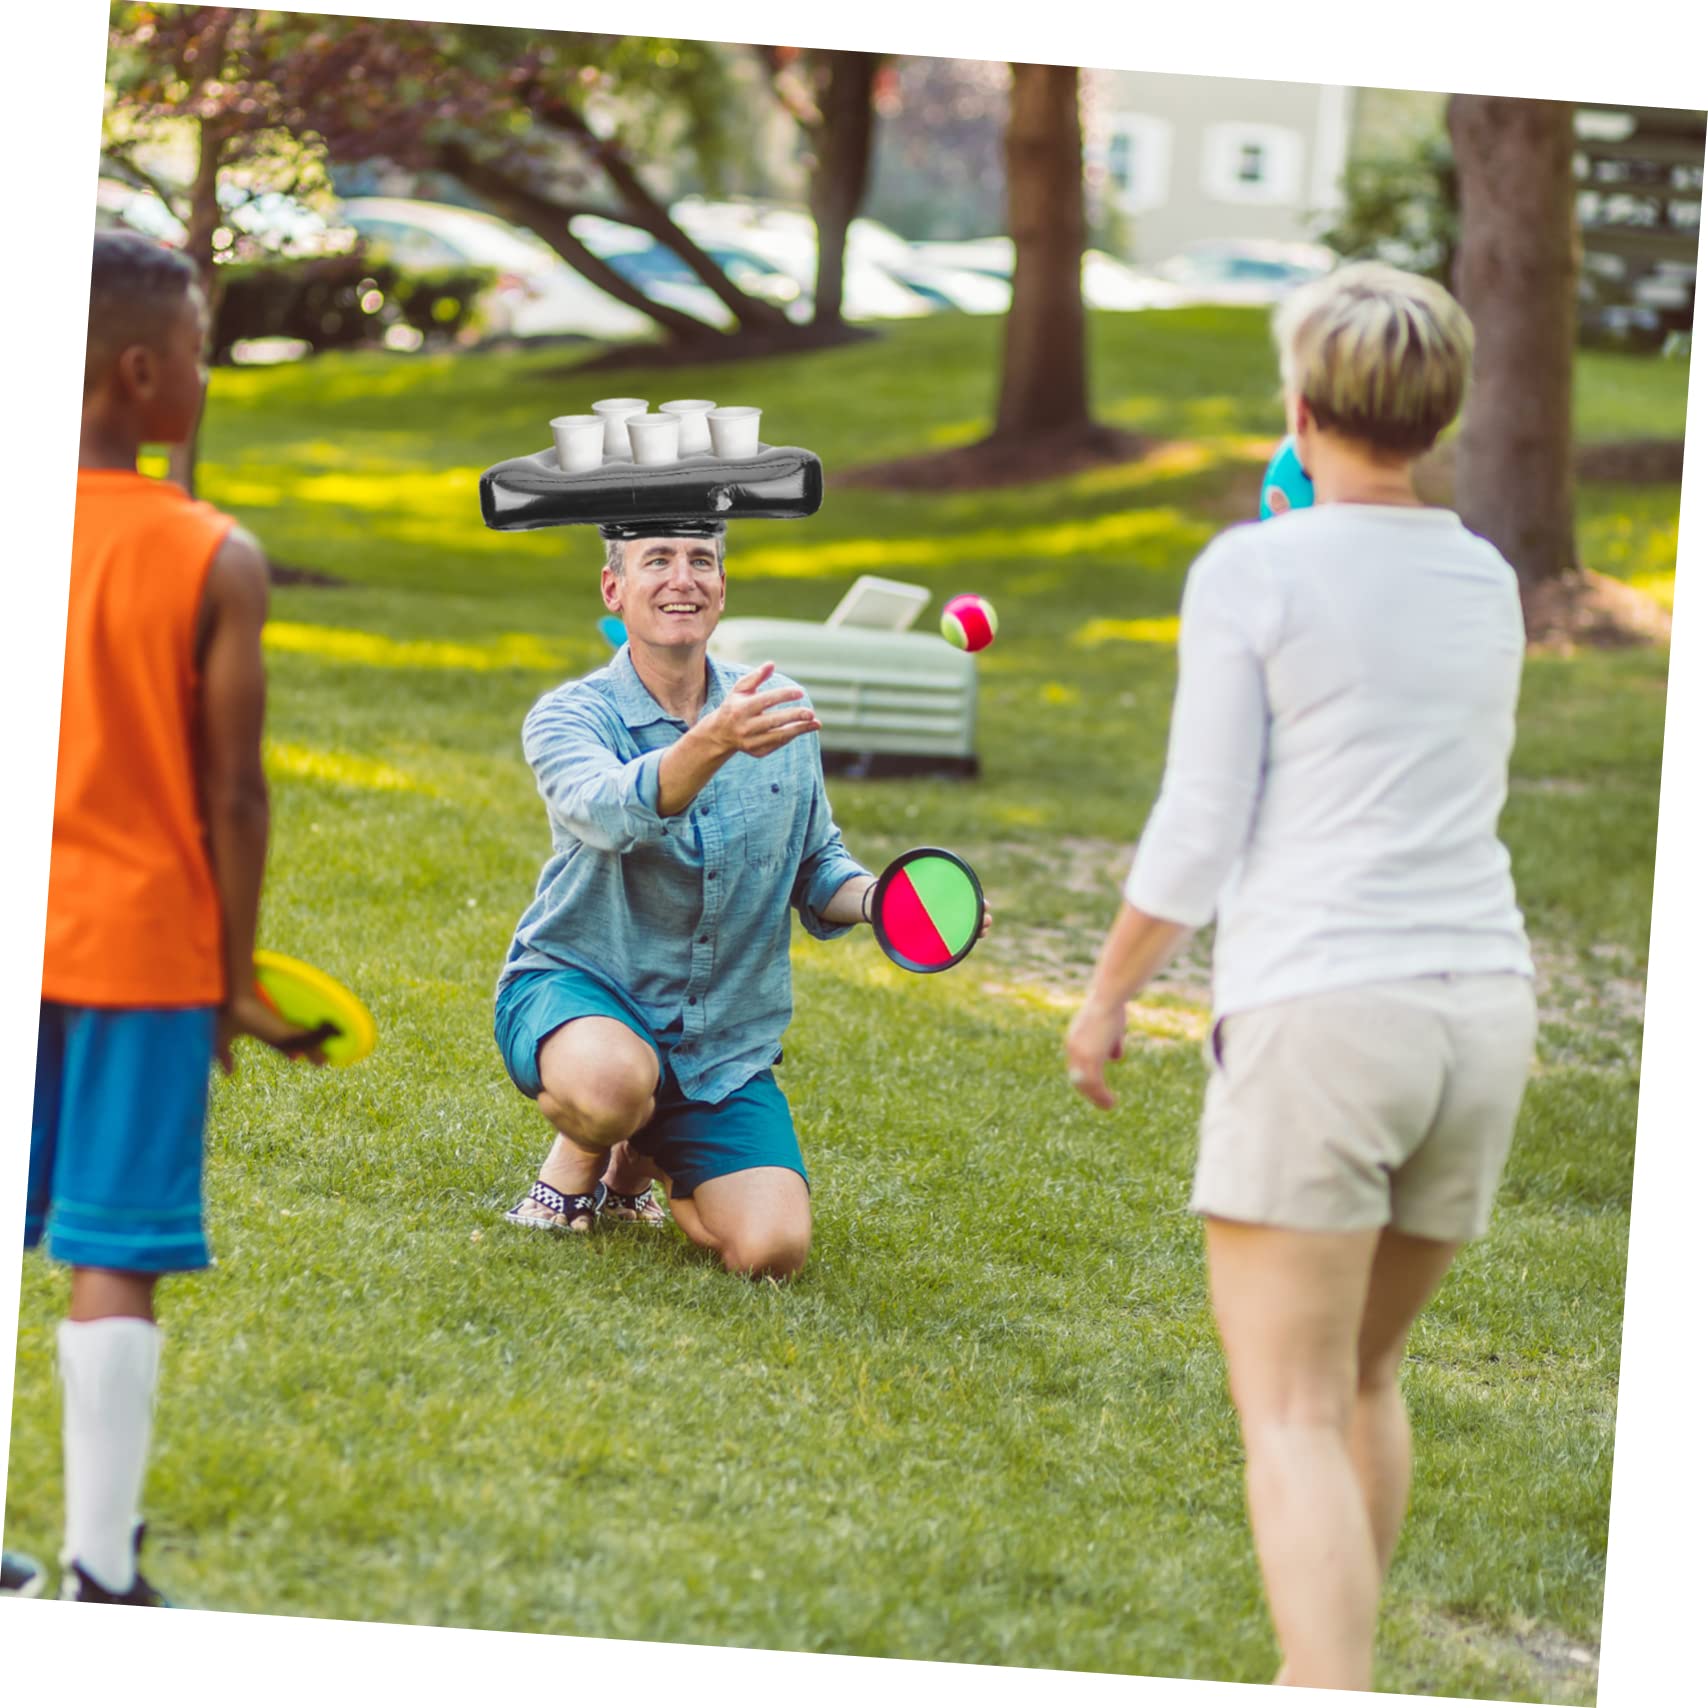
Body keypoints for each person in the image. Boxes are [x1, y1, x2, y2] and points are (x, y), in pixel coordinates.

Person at [1065, 263, 1536, 1690]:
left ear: (1303, 404)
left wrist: (1104, 997)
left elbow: (1200, 827)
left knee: (1285, 1411)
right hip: (1483, 1019)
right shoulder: (1488, 572)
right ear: (1437, 411)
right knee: (1360, 1379)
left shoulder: (1253, 570)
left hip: (1330, 1019)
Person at [22, 232, 312, 1606]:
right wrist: (235, 974)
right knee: (115, 1254)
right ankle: (96, 1570)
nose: (206, 369)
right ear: (141, 376)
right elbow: (234, 797)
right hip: (139, 960)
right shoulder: (212, 555)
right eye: (199, 347)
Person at [499, 525, 980, 1276]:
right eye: (656, 561)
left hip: (716, 1039)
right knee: (610, 1084)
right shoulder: (571, 716)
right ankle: (580, 1158)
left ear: (721, 589)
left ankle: (637, 1163)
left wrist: (892, 903)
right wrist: (713, 742)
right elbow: (609, 810)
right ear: (613, 589)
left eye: (701, 561)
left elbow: (817, 863)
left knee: (771, 1252)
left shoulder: (776, 710)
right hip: (581, 988)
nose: (682, 578)